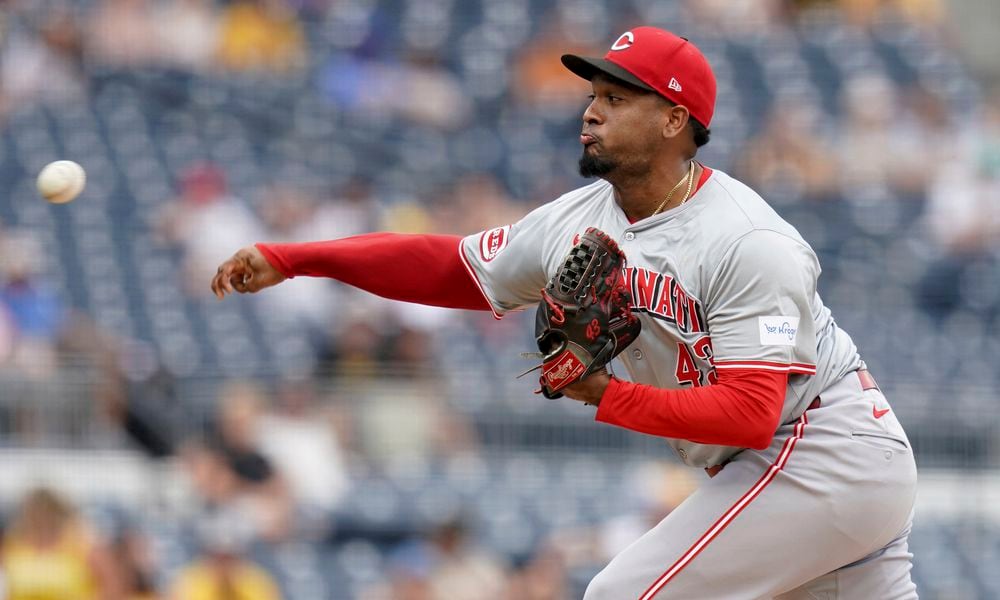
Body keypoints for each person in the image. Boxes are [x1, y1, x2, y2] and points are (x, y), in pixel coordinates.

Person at [211, 26, 918, 599]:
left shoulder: (748, 240)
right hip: (793, 470)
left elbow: (752, 414)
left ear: (675, 120)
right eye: (594, 94)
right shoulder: (580, 217)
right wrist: (300, 257)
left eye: (617, 97)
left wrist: (609, 395)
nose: (591, 109)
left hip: (821, 448)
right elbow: (450, 265)